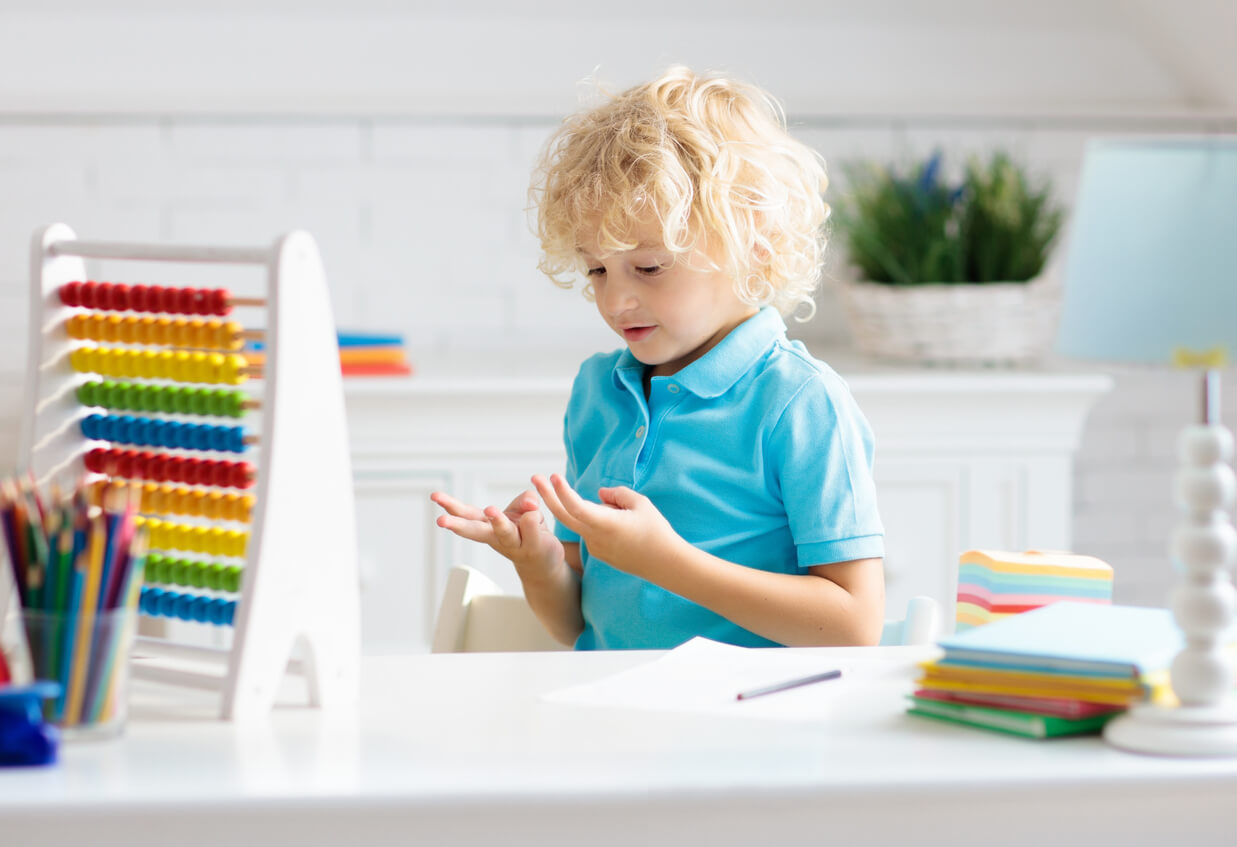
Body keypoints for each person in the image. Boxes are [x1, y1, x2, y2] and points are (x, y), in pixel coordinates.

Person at [431, 66, 884, 650]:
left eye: (649, 267)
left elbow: (855, 628)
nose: (616, 299)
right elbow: (579, 626)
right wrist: (539, 560)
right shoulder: (598, 393)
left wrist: (667, 562)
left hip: (749, 729)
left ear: (753, 249)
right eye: (597, 269)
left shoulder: (800, 402)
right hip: (609, 721)